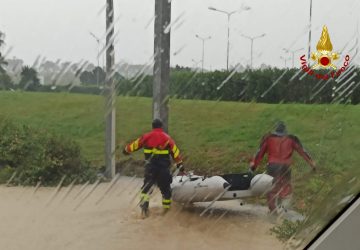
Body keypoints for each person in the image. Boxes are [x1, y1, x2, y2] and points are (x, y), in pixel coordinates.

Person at [249, 121, 316, 213]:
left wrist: (253, 166)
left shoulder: (268, 138)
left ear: (275, 129)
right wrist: (312, 164)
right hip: (286, 167)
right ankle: (283, 207)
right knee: (286, 186)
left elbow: (259, 153)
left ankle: (273, 211)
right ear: (285, 131)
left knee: (271, 188)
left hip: (273, 166)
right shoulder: (291, 139)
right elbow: (302, 151)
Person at [122, 118, 184, 217]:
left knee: (146, 189)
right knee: (166, 190)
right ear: (161, 127)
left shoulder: (146, 137)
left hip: (150, 168)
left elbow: (134, 145)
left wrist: (126, 150)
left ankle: (144, 211)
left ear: (153, 127)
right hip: (163, 169)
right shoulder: (167, 138)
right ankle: (166, 212)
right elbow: (175, 152)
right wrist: (180, 164)